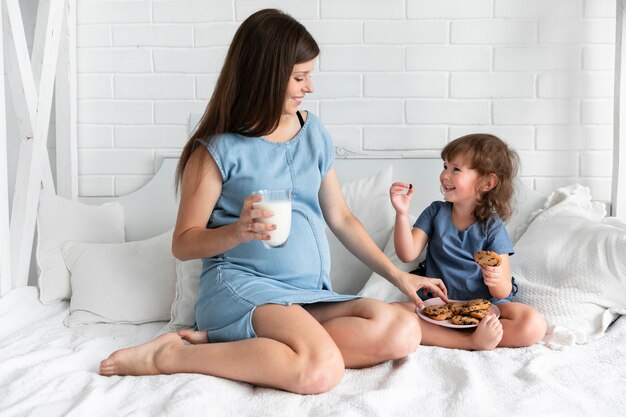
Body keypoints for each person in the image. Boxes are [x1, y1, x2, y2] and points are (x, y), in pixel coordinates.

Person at [98, 8, 447, 394]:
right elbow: (183, 243)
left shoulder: (313, 132)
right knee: (321, 369)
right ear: (265, 76)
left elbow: (342, 218)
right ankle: (169, 356)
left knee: (402, 331)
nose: (309, 87)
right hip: (244, 289)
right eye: (300, 77)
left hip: (307, 294)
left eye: (310, 75)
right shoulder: (216, 150)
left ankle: (250, 348)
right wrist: (236, 231)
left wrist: (399, 275)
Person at [390, 134, 547, 350]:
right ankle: (468, 340)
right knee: (392, 313)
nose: (445, 175)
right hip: (440, 303)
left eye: (455, 169)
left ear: (487, 182)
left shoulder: (492, 226)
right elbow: (407, 254)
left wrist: (494, 278)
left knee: (533, 324)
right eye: (445, 166)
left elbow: (501, 292)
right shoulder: (435, 212)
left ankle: (468, 333)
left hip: (486, 307)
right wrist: (401, 214)